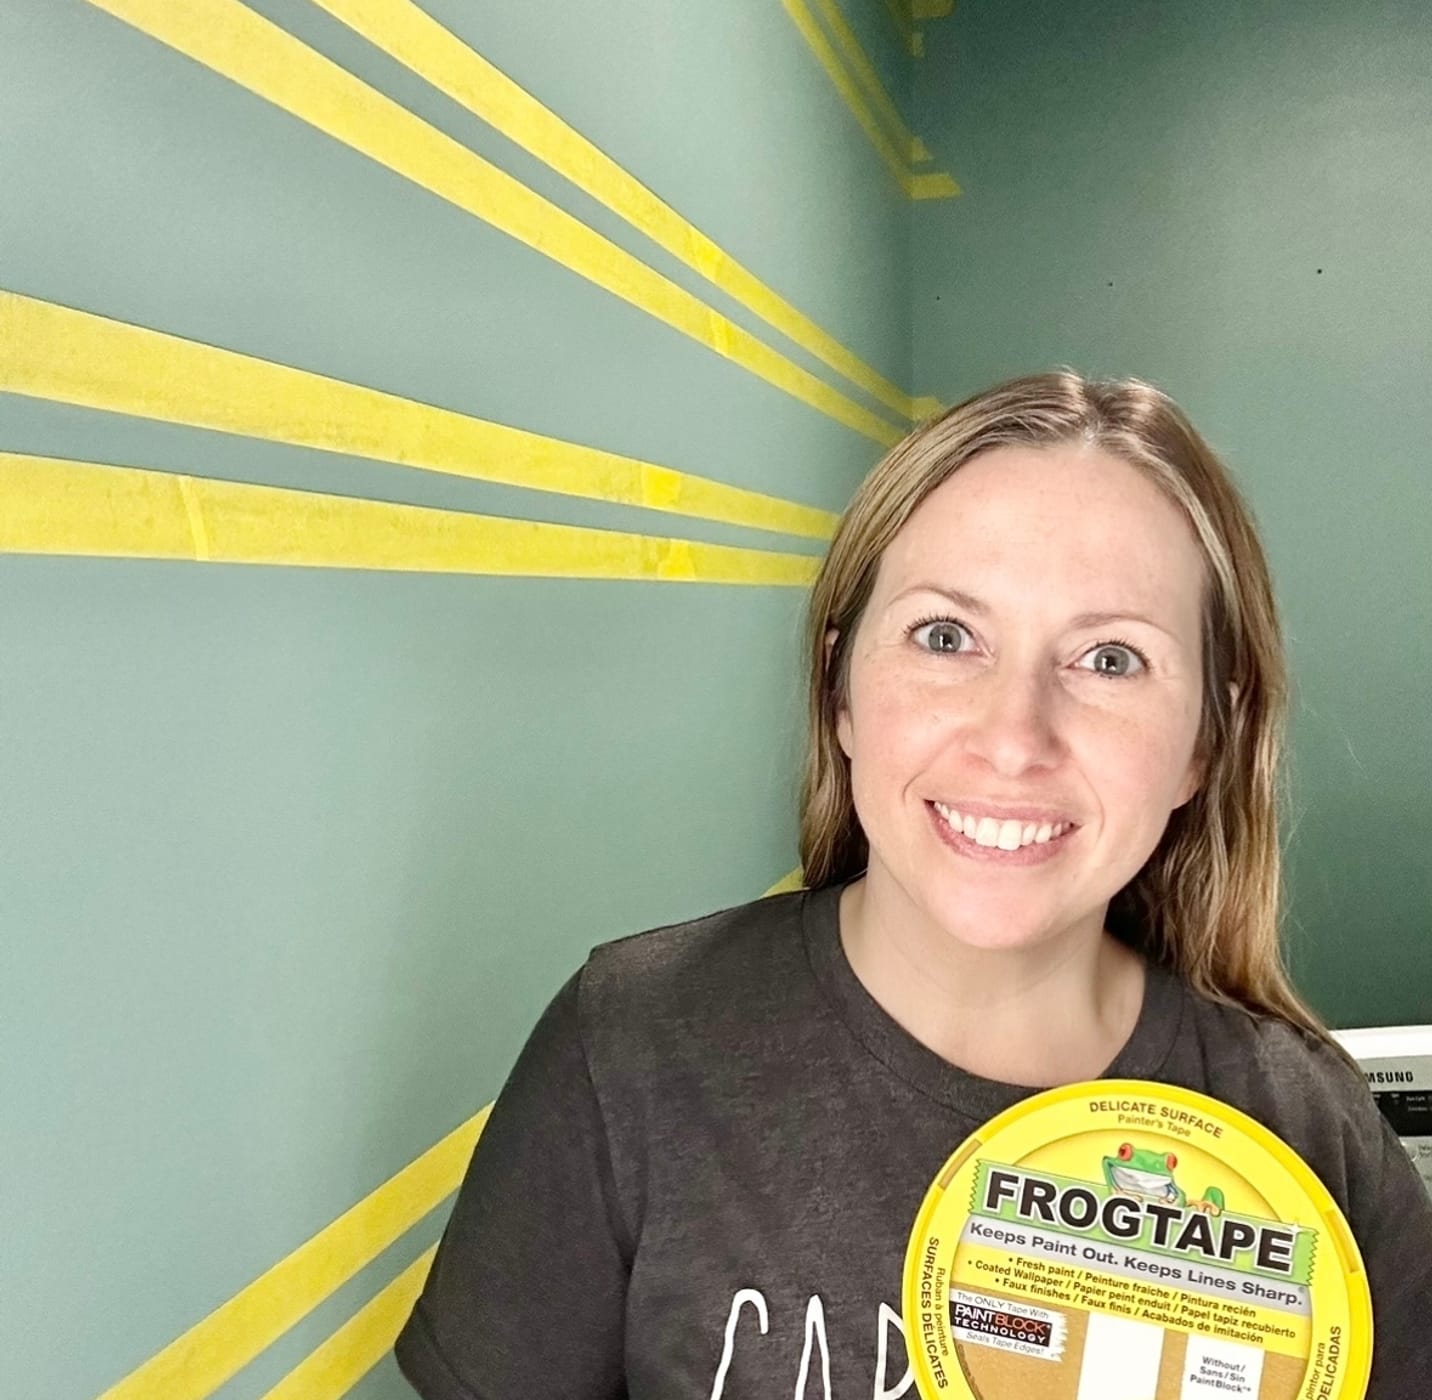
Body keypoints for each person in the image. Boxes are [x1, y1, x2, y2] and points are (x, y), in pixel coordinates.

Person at [395, 372, 1432, 1398]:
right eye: (945, 636)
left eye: (1110, 658)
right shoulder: (626, 1046)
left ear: (1205, 739)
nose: (1012, 737)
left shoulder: (1308, 1137)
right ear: (840, 691)